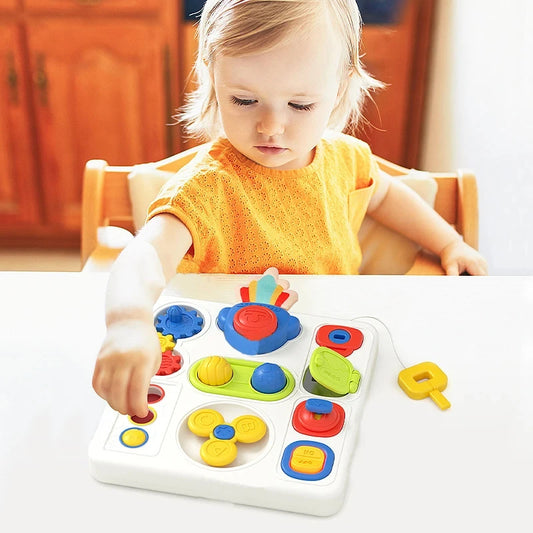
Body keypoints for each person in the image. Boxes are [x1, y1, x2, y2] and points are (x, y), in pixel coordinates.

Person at [92, 0, 488, 418]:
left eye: (300, 106)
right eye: (244, 100)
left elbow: (385, 195)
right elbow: (148, 253)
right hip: (226, 364)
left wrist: (449, 243)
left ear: (339, 88)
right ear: (212, 79)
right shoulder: (207, 187)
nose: (271, 127)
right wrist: (128, 320)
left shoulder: (345, 158)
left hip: (328, 346)